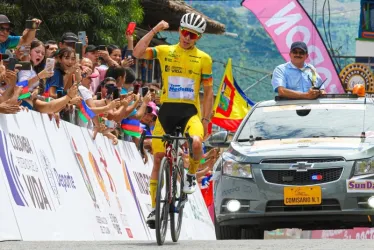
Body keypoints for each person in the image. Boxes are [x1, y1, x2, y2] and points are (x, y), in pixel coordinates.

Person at [133, 13, 214, 226]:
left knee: (196, 143)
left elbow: (208, 92)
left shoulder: (204, 59)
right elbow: (137, 52)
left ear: (199, 38)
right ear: (180, 31)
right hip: (167, 111)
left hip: (190, 113)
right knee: (159, 158)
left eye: (193, 36)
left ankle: (190, 175)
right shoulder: (165, 51)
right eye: (185, 32)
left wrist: (206, 120)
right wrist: (155, 30)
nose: (188, 38)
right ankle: (153, 209)